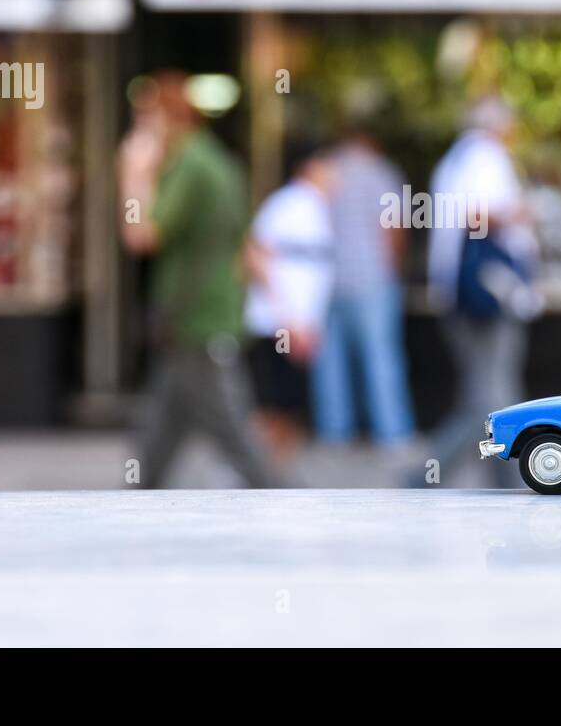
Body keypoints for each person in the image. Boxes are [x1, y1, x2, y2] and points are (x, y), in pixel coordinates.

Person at [118, 70, 277, 489]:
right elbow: (247, 244)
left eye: (145, 121)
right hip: (197, 322)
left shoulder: (191, 167)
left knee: (239, 443)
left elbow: (141, 234)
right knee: (159, 440)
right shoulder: (218, 162)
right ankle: (130, 502)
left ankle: (289, 504)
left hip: (199, 324)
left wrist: (133, 174)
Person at [422, 97, 539, 485]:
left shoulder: (453, 160)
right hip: (488, 290)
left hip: (458, 288)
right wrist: (518, 214)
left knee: (484, 391)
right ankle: (432, 473)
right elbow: (477, 214)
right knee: (493, 393)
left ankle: (494, 478)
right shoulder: (486, 157)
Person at [311, 125, 417, 448]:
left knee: (329, 362)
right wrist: (395, 270)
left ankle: (334, 432)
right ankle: (392, 433)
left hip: (327, 279)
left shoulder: (324, 172)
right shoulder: (380, 173)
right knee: (380, 357)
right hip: (372, 278)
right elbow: (394, 229)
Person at [243, 142, 336, 466]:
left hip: (301, 326)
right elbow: (254, 254)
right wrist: (288, 318)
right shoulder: (288, 205)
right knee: (275, 407)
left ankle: (275, 476)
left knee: (291, 407)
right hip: (279, 325)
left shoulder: (317, 209)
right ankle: (254, 472)